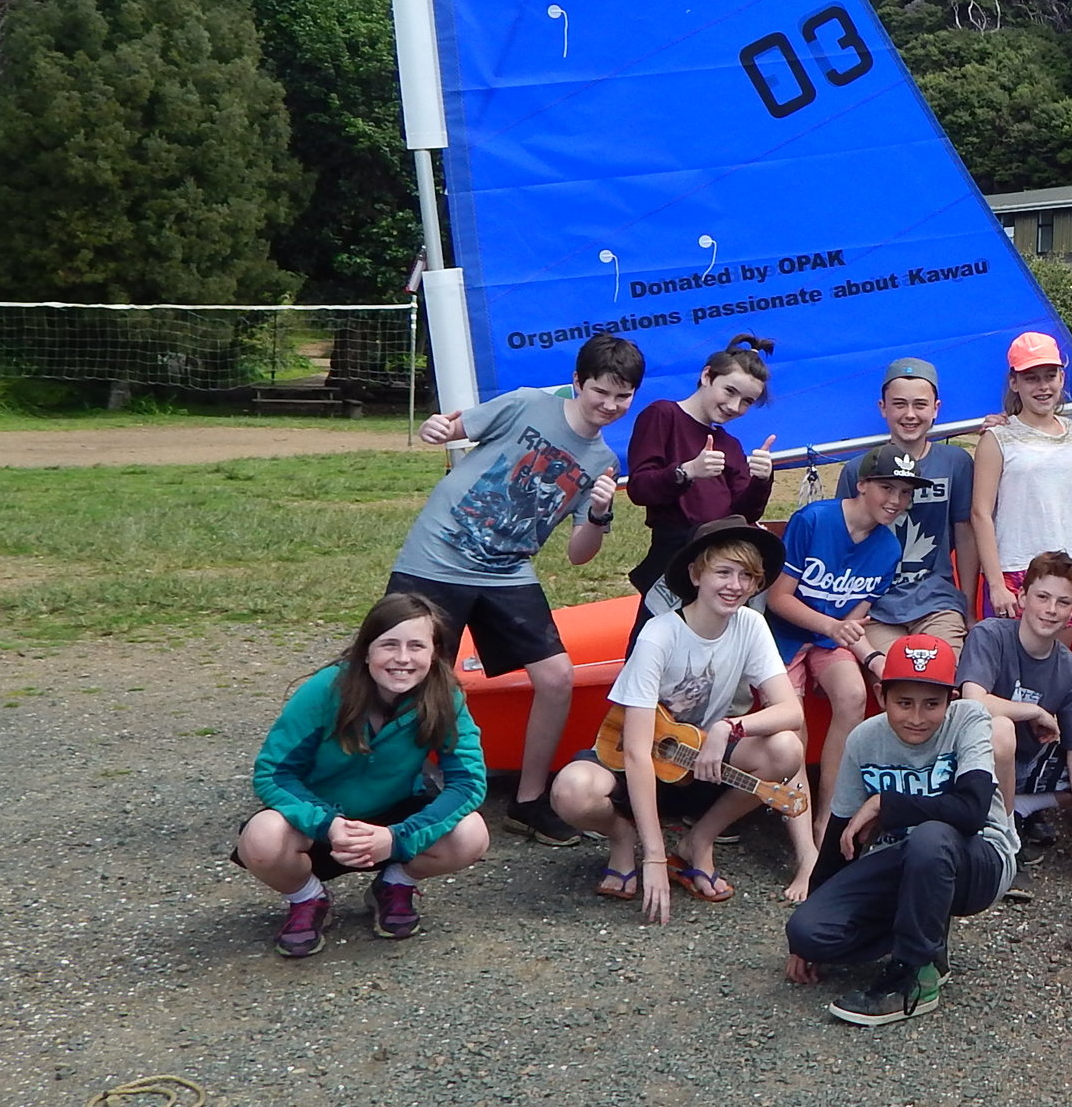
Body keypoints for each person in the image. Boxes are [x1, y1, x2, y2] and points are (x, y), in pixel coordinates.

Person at [386, 332, 636, 846]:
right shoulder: (527, 403)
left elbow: (578, 553)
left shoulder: (603, 462)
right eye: (600, 392)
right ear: (577, 383)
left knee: (557, 676)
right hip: (439, 555)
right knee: (409, 674)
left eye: (622, 396)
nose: (609, 405)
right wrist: (435, 427)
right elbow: (450, 426)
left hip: (506, 571)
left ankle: (527, 800)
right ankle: (393, 787)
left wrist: (599, 512)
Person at [549, 519, 813, 917]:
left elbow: (791, 712)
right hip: (637, 760)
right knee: (572, 790)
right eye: (723, 572)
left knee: (786, 748)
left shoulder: (750, 625)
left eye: (746, 575)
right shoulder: (659, 635)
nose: (735, 585)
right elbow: (637, 752)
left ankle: (698, 842)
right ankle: (623, 839)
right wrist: (653, 857)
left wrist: (730, 727)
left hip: (697, 761)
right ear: (696, 574)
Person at [784, 635, 1021, 1026]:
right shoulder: (864, 739)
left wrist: (886, 803)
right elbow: (839, 835)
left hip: (978, 858)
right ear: (881, 696)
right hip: (904, 860)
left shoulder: (969, 720)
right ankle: (924, 936)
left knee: (931, 836)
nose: (916, 717)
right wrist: (809, 926)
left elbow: (973, 811)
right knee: (808, 931)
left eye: (932, 704)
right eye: (904, 703)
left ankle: (915, 974)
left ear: (951, 698)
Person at [237, 592, 490, 957]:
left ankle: (394, 884)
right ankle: (307, 897)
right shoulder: (325, 690)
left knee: (471, 833)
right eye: (389, 645)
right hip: (320, 820)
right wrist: (328, 825)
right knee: (261, 839)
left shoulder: (444, 695)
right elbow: (273, 773)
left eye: (417, 646)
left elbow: (468, 782)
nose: (402, 659)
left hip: (394, 820)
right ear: (366, 649)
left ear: (434, 653)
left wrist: (399, 838)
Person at [764, 441, 921, 848]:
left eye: (905, 493)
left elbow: (855, 621)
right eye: (888, 488)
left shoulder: (888, 547)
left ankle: (827, 818)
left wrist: (873, 658)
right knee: (791, 725)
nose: (896, 501)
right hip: (782, 635)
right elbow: (778, 598)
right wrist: (833, 628)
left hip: (828, 639)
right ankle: (796, 830)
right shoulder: (814, 519)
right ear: (863, 484)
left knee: (853, 693)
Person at [957, 550, 1072, 884]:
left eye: (1062, 602)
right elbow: (974, 700)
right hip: (978, 761)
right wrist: (1034, 711)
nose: (1050, 610)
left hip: (1029, 763)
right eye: (1042, 597)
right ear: (1022, 596)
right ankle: (1004, 838)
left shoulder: (1069, 668)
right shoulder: (989, 635)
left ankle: (1024, 806)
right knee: (1001, 729)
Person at [622, 335, 773, 649]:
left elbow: (743, 515)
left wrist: (762, 480)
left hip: (721, 557)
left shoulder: (729, 444)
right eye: (729, 391)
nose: (734, 406)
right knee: (652, 644)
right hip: (673, 556)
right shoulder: (663, 415)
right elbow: (640, 488)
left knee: (714, 646)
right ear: (707, 376)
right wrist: (686, 471)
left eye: (746, 401)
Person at [837, 357, 978, 649]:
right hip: (875, 606)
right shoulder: (856, 469)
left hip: (937, 600)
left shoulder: (956, 463)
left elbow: (964, 533)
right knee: (896, 677)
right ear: (883, 408)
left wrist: (969, 605)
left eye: (920, 405)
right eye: (899, 404)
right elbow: (842, 541)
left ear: (936, 409)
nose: (910, 414)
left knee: (940, 673)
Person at [971, 332, 1072, 619]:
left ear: (1062, 378)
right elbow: (980, 513)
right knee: (1010, 662)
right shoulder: (998, 438)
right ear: (1014, 382)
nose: (1043, 387)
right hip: (1016, 567)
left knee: (1056, 662)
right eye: (1031, 378)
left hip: (1066, 568)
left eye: (1050, 376)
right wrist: (997, 583)